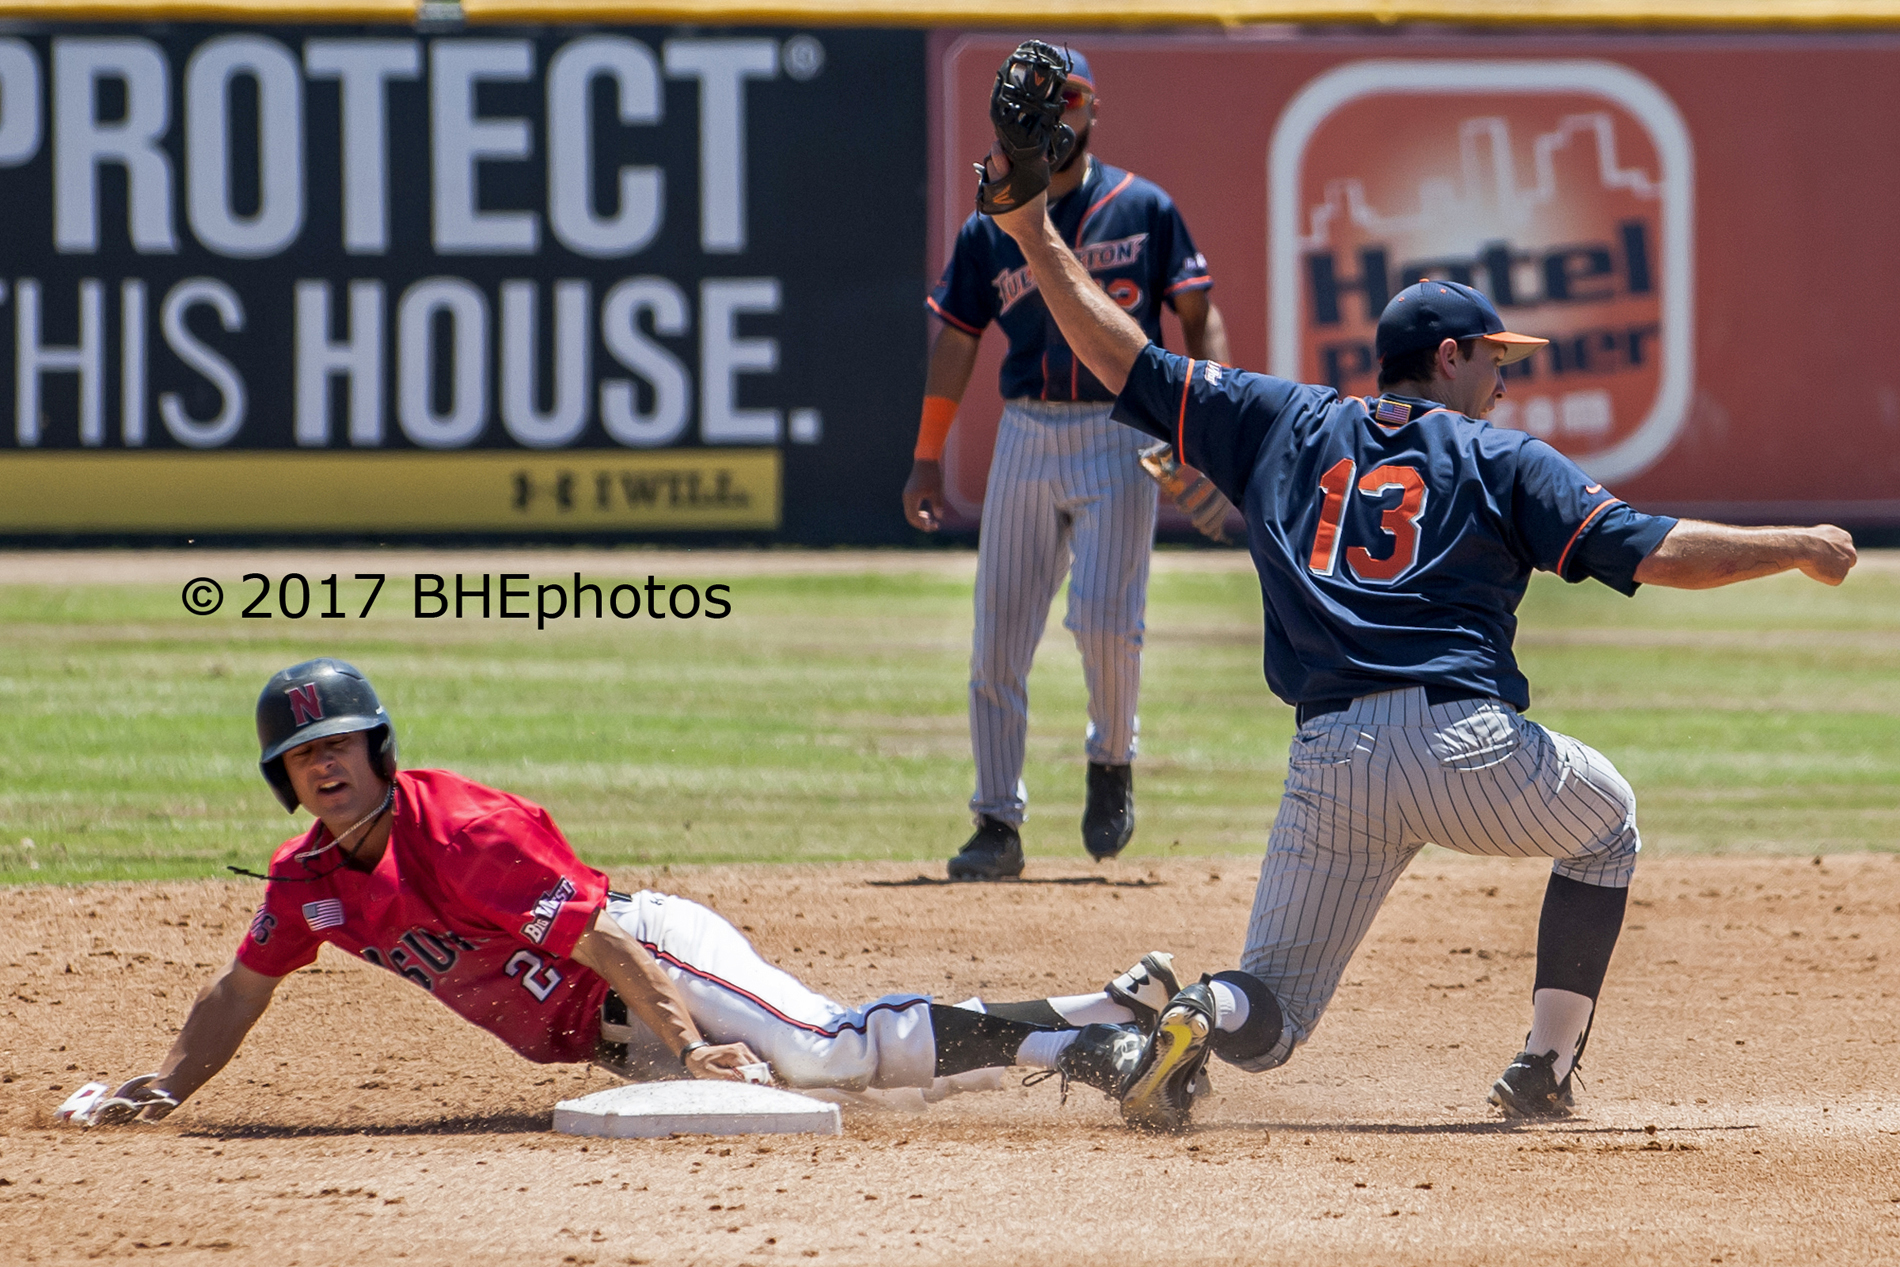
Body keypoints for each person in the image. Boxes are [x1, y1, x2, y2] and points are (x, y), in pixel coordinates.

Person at [974, 147, 1858, 1130]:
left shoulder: (1283, 420)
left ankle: (1200, 1009)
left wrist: (1033, 233)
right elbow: (1654, 552)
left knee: (1270, 1014)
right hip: (1463, 746)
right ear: (1448, 358)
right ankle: (1543, 1067)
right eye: (1493, 359)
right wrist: (1796, 545)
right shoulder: (1502, 457)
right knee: (1607, 826)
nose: (1502, 381)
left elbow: (1125, 359)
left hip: (1328, 758)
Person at [83, 658, 1191, 1125]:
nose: (323, 765)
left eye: (339, 744)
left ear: (377, 748)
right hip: (610, 1030)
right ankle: (1108, 1008)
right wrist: (168, 1085)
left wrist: (691, 1044)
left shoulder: (463, 828)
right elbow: (239, 989)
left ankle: (1100, 1054)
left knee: (825, 1053)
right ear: (283, 780)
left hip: (652, 959)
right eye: (301, 755)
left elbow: (604, 939)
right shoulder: (306, 881)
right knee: (859, 1093)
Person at [903, 47, 1232, 881]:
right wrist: (927, 456)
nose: (1056, 113)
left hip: (1123, 426)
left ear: (1094, 110)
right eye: (1043, 100)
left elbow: (1198, 313)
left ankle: (1111, 759)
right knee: (998, 637)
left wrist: (1207, 423)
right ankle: (995, 821)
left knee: (1106, 621)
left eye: (1070, 97)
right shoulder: (991, 222)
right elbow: (957, 339)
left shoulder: (1143, 208)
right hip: (1027, 429)